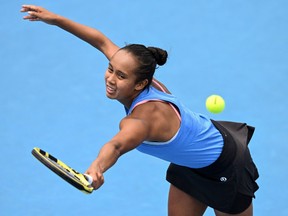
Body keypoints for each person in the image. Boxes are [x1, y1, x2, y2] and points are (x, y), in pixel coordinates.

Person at [21, 5, 259, 216]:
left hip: (226, 165)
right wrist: (55, 19)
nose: (111, 79)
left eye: (121, 76)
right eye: (110, 69)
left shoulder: (142, 120)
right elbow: (101, 41)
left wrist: (96, 169)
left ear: (140, 84)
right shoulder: (144, 79)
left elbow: (116, 145)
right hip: (189, 163)